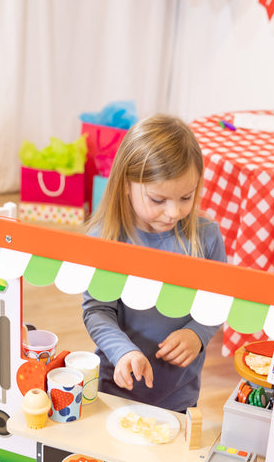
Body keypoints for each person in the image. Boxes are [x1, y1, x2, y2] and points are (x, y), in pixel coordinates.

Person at [82, 114, 227, 413]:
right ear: (126, 185)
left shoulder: (207, 238)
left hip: (179, 394)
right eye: (158, 200)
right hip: (115, 385)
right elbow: (98, 310)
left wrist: (197, 334)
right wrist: (123, 353)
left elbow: (217, 303)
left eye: (186, 197)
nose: (173, 212)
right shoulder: (106, 240)